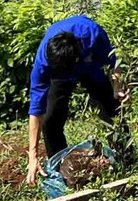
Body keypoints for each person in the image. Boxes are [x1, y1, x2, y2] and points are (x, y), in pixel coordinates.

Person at [25, 16, 123, 185]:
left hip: (89, 65)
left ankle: (124, 159)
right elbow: (36, 109)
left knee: (110, 109)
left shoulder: (93, 35)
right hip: (60, 69)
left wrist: (118, 86)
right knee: (50, 120)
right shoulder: (44, 62)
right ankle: (61, 171)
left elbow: (114, 60)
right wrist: (32, 156)